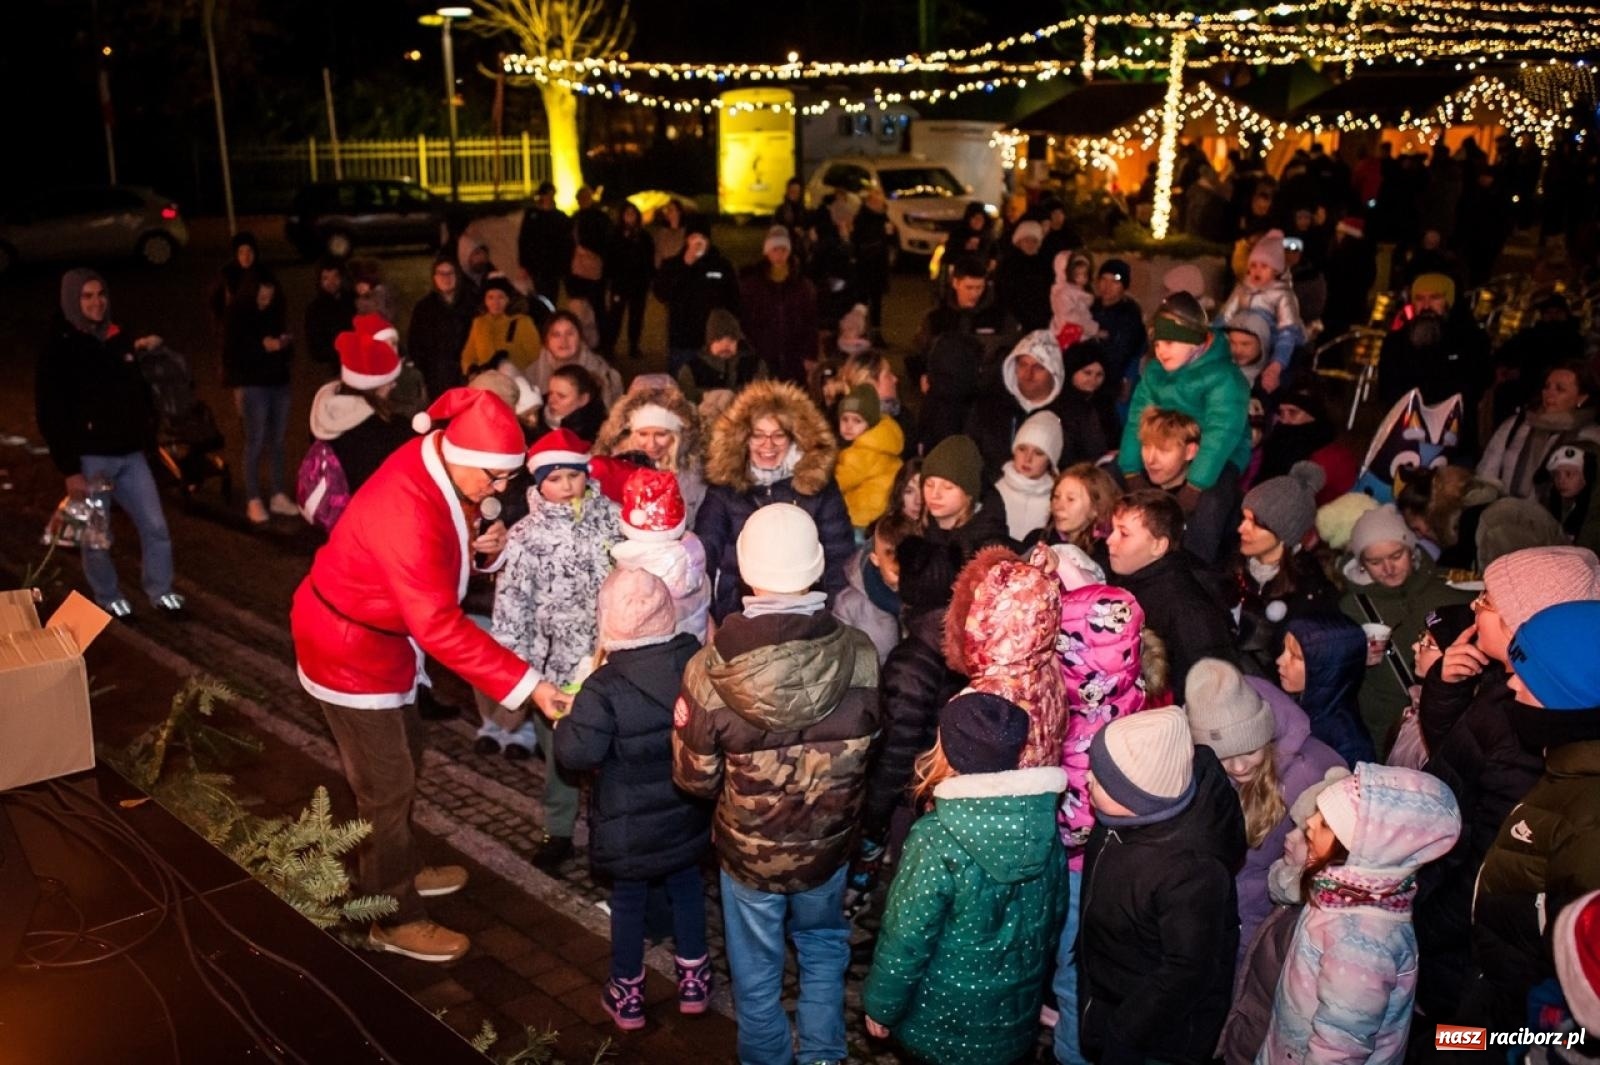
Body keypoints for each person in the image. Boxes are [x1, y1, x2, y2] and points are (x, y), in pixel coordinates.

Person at [290, 388, 539, 962]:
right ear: (462, 455)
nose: (501, 490)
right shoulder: (408, 505)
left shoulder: (443, 465)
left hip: (381, 642)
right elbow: (439, 625)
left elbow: (450, 544)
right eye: (496, 478)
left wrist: (484, 547)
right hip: (349, 650)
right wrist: (529, 685)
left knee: (407, 755)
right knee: (386, 784)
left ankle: (396, 864)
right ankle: (390, 914)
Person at [672, 503, 880, 1065]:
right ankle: (823, 1054)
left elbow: (694, 779)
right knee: (823, 945)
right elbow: (870, 752)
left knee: (755, 965)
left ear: (746, 568)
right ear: (816, 566)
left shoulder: (709, 669)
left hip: (749, 856)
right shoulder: (862, 653)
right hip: (828, 849)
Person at [1415, 546, 1600, 1023]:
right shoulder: (1510, 687)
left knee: (1456, 1041)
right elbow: (1458, 758)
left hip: (1472, 965)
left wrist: (1418, 925)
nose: (1474, 607)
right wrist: (1446, 687)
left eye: (1488, 601)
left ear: (1525, 622)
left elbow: (1492, 870)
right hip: (1463, 947)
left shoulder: (1534, 734)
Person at [862, 693, 1068, 1065]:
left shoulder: (936, 836)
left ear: (949, 750)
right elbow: (1053, 919)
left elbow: (907, 936)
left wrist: (881, 1005)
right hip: (1011, 1021)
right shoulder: (1042, 826)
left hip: (940, 1022)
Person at [552, 568, 711, 1030]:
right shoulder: (694, 663)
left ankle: (627, 993)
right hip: (686, 808)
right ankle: (694, 980)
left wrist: (566, 722)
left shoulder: (603, 686)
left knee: (628, 902)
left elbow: (578, 754)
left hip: (627, 822)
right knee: (687, 888)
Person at [1259, 763, 1461, 1065]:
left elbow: (1339, 1050)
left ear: (1361, 851)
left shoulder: (1361, 945)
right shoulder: (1342, 893)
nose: (1310, 822)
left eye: (1325, 823)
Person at [1077, 707, 1247, 1065]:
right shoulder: (1119, 821)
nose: (1087, 778)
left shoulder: (1192, 871)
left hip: (1154, 1038)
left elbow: (1187, 971)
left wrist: (1125, 1032)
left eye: (1103, 779)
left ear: (1137, 797)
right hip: (1109, 992)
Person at [489, 428, 620, 866]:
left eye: (574, 476)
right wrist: (519, 673)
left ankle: (609, 830)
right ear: (539, 483)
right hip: (554, 669)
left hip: (609, 663)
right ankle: (559, 829)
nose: (566, 487)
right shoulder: (526, 536)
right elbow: (512, 607)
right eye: (555, 479)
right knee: (559, 756)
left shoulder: (613, 520)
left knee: (613, 755)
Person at [36, 269, 184, 619]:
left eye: (100, 294)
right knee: (96, 537)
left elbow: (138, 392)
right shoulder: (59, 346)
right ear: (72, 299)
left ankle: (161, 590)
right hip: (91, 459)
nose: (96, 302)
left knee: (156, 526)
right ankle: (108, 595)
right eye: (87, 296)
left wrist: (147, 434)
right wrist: (70, 469)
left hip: (131, 454)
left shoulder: (118, 336)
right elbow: (51, 412)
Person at [1050, 569, 1150, 1065]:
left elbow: (1077, 823)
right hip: (1132, 866)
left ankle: (1073, 1054)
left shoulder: (1077, 725)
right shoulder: (1136, 695)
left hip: (1079, 870)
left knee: (1074, 975)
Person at [1183, 658, 1343, 960]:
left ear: (1267, 736)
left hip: (1267, 919)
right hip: (1218, 911)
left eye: (1250, 750)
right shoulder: (1197, 769)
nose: (1239, 767)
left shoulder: (1308, 774)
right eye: (1223, 757)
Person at [696, 380, 854, 623]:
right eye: (757, 435)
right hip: (738, 612)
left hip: (807, 611)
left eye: (778, 435)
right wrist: (707, 617)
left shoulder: (818, 486)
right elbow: (705, 552)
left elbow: (839, 555)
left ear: (795, 438)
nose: (767, 445)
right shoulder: (725, 487)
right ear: (742, 438)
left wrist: (832, 616)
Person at [1338, 504, 1473, 750]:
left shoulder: (1451, 589)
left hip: (1454, 721)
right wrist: (1355, 659)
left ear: (1411, 551)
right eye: (1375, 561)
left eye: (1396, 556)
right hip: (1389, 730)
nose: (1388, 569)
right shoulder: (1351, 607)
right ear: (1361, 563)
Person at [1119, 292, 1252, 496]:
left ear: (1194, 342)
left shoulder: (1225, 378)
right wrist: (1130, 470)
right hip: (1167, 448)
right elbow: (1137, 418)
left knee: (1212, 503)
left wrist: (1196, 485)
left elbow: (1221, 431)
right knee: (1113, 481)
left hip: (1220, 456)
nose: (1161, 352)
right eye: (1157, 345)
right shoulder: (1155, 373)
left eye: (1169, 343)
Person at [944, 549, 1067, 770]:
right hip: (1038, 787)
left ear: (984, 618)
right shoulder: (1047, 668)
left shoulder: (980, 702)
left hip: (998, 792)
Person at [1107, 489, 1238, 693]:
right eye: (1112, 530)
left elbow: (1210, 687)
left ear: (1158, 546)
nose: (1110, 540)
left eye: (1124, 534)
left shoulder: (1186, 605)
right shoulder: (1134, 579)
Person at [1232, 463, 1336, 675]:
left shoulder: (1308, 593)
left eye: (1256, 524)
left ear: (1285, 533)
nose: (1241, 528)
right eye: (1244, 518)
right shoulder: (1233, 563)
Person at [1377, 273, 1494, 452]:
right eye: (1419, 299)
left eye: (1434, 298)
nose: (1426, 306)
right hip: (1404, 436)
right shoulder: (1396, 342)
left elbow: (1476, 385)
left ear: (1448, 301)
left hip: (1454, 438)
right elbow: (1387, 390)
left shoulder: (1472, 340)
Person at [912, 255, 1017, 454]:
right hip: (944, 402)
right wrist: (922, 375)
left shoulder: (1000, 318)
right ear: (955, 283)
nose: (975, 294)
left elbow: (1010, 353)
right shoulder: (936, 318)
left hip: (984, 400)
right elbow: (919, 352)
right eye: (969, 287)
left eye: (979, 287)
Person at [307, 324, 418, 498]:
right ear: (374, 385)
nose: (393, 385)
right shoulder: (387, 431)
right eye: (389, 381)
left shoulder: (324, 411)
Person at [222, 271, 296, 525]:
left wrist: (284, 344)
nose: (265, 301)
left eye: (270, 296)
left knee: (278, 441)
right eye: (262, 296)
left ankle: (277, 494)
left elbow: (289, 348)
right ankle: (253, 498)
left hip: (279, 382)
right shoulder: (237, 316)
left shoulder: (276, 313)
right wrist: (261, 347)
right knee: (255, 441)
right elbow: (232, 354)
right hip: (254, 386)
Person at [1130, 407, 1241, 566]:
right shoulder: (1135, 487)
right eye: (1146, 446)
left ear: (1190, 452)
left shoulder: (1210, 503)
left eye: (1163, 450)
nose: (1150, 459)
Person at [1478, 361, 1600, 500]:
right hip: (1506, 509)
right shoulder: (1517, 424)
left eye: (1560, 389)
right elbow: (1486, 473)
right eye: (1547, 387)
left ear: (1582, 397)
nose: (1549, 394)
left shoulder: (1591, 436)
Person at [966, 328, 1066, 483]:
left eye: (1038, 367)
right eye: (1023, 365)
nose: (1028, 374)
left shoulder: (1071, 415)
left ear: (1054, 372)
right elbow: (969, 456)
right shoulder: (987, 408)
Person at [1278, 615, 1378, 768]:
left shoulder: (1349, 745)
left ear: (1329, 668)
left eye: (1296, 656)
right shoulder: (1297, 701)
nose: (1280, 660)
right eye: (1284, 650)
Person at [1216, 231, 1306, 394]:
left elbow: (1287, 332)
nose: (1257, 271)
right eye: (1253, 266)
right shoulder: (1243, 289)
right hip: (1245, 341)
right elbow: (1225, 316)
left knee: (1272, 382)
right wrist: (1211, 338)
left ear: (1276, 270)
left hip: (1276, 346)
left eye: (1264, 267)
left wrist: (1277, 364)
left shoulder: (1282, 294)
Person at [653, 216, 741, 376]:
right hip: (682, 342)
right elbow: (661, 293)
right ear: (687, 239)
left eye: (702, 238)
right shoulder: (672, 264)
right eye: (694, 237)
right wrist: (685, 264)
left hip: (715, 343)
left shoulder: (722, 266)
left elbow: (734, 301)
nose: (698, 242)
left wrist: (728, 334)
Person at [741, 225, 821, 386]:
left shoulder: (803, 286)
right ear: (767, 252)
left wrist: (810, 355)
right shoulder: (752, 286)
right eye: (774, 250)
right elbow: (745, 322)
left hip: (795, 359)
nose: (779, 255)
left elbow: (811, 322)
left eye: (783, 250)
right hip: (763, 359)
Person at [916, 434, 1013, 560]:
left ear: (969, 494)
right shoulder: (916, 530)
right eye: (929, 484)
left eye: (948, 487)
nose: (935, 494)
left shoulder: (989, 550)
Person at [833, 513, 910, 665]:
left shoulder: (926, 596)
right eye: (896, 573)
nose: (904, 580)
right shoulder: (849, 604)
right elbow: (840, 658)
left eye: (910, 572)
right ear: (875, 559)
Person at [834, 384, 904, 533]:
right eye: (845, 419)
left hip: (860, 518)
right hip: (882, 516)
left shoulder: (861, 453)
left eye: (857, 421)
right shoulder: (883, 444)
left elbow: (838, 482)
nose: (849, 426)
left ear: (870, 424)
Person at [522, 307, 622, 409]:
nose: (563, 341)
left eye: (570, 334)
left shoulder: (603, 374)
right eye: (556, 335)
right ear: (546, 342)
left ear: (580, 338)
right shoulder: (531, 377)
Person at [408, 256, 476, 402]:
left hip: (467, 371)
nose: (446, 278)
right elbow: (415, 343)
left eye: (450, 273)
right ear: (434, 277)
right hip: (436, 374)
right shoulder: (424, 308)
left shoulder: (471, 304)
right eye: (441, 273)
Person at [1030, 462, 1120, 568]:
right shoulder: (1037, 539)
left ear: (1096, 508)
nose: (1058, 506)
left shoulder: (1107, 556)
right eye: (1056, 496)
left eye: (1071, 499)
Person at [677, 308, 769, 407]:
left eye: (732, 339)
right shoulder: (691, 370)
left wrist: (732, 396)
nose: (725, 345)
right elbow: (685, 402)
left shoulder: (755, 366)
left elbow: (762, 396)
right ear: (709, 341)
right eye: (719, 338)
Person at [994, 411, 1062, 542]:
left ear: (1050, 460)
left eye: (1038, 453)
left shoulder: (1055, 500)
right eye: (1022, 449)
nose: (1028, 458)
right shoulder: (995, 492)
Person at [1055, 340, 1122, 467]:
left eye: (1099, 375)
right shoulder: (1060, 406)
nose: (1093, 379)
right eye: (1087, 373)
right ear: (1072, 371)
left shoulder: (1105, 405)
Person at [605, 200, 656, 358]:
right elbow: (610, 258)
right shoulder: (615, 235)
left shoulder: (644, 236)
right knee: (615, 316)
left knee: (636, 316)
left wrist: (649, 278)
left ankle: (633, 346)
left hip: (639, 283)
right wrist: (610, 280)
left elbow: (649, 259)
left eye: (633, 214)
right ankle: (610, 346)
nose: (630, 217)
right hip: (620, 283)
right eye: (627, 213)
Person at [461, 276, 540, 377]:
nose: (495, 302)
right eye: (490, 297)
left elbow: (535, 356)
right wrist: (471, 370)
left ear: (509, 299)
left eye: (501, 297)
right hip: (485, 380)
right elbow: (469, 355)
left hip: (515, 380)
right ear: (484, 300)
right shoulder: (479, 323)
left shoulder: (522, 322)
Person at [1089, 259, 1146, 397]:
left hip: (1115, 378)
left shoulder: (1130, 313)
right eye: (1103, 279)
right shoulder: (1089, 306)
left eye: (1115, 281)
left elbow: (1129, 349)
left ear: (1124, 286)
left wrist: (1127, 379)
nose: (1107, 286)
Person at [517, 181, 572, 304]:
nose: (549, 197)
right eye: (547, 194)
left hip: (553, 265)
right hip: (536, 264)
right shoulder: (532, 215)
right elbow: (524, 240)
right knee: (537, 295)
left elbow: (566, 242)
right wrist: (523, 265)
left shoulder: (559, 217)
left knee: (551, 296)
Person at [994, 219, 1054, 330]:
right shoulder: (1009, 264)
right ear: (1018, 242)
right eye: (1026, 240)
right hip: (1015, 319)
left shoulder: (1044, 263)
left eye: (1034, 241)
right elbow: (1003, 291)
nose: (1030, 244)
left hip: (1042, 318)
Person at [851, 186, 893, 337]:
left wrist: (890, 235)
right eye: (877, 194)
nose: (881, 198)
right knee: (862, 299)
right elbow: (859, 239)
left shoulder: (883, 216)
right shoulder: (863, 217)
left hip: (879, 263)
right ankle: (859, 330)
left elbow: (889, 239)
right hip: (866, 263)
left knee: (877, 300)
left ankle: (876, 331)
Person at [303, 258, 353, 371]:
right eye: (326, 278)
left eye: (335, 277)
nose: (331, 282)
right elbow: (315, 347)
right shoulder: (314, 309)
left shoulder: (352, 300)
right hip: (333, 368)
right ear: (319, 281)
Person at [1546, 444, 1597, 541]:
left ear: (1586, 477)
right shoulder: (1551, 505)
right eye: (1557, 475)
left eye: (1569, 474)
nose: (1561, 481)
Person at [209, 230, 259, 321]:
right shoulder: (226, 275)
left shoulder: (261, 273)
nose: (246, 256)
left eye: (249, 251)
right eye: (241, 252)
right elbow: (216, 303)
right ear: (236, 254)